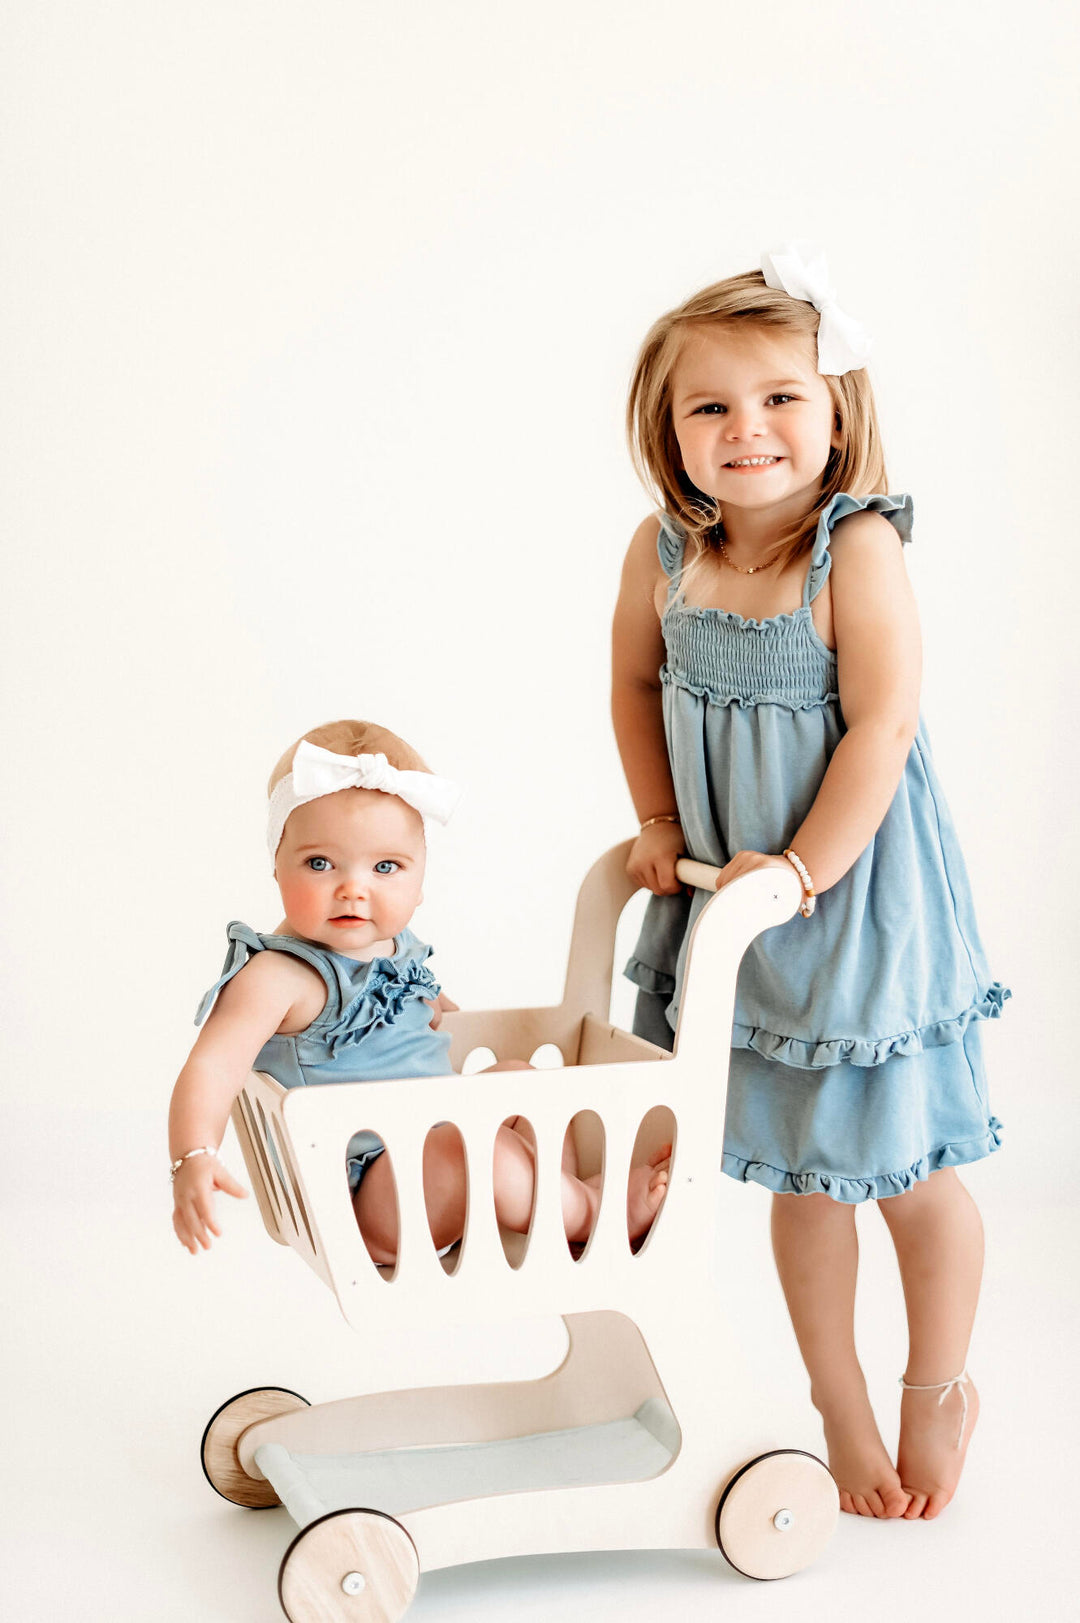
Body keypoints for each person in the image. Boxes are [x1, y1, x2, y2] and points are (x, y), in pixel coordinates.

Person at [611, 245, 1006, 1523]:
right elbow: (631, 689)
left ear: (838, 411)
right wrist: (662, 823)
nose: (748, 430)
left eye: (781, 396)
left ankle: (935, 1382)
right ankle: (833, 1394)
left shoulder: (858, 553)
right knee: (800, 1171)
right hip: (733, 907)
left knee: (900, 1171)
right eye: (710, 407)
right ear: (669, 434)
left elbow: (883, 726)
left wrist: (800, 871)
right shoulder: (666, 554)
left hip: (854, 903)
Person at [169, 719, 669, 1264]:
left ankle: (556, 1204)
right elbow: (213, 1066)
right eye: (320, 863)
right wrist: (193, 1155)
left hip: (431, 1157)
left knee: (521, 1081)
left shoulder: (395, 946)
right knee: (473, 1145)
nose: (353, 888)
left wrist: (431, 1005)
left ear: (420, 879)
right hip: (366, 1201)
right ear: (275, 864)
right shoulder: (278, 976)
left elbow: (416, 1009)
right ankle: (592, 1214)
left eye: (386, 867)